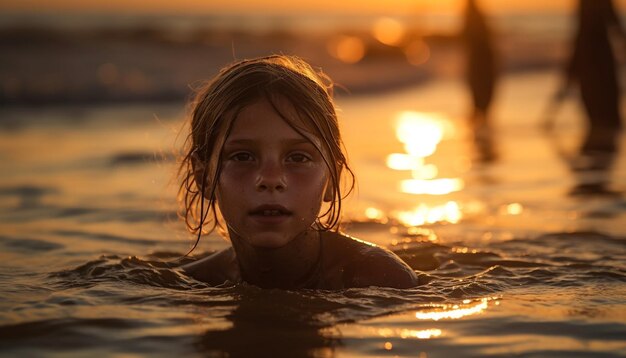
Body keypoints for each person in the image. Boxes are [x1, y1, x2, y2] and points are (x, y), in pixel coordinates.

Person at [177, 55, 419, 290]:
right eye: (242, 156)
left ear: (332, 180)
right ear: (204, 177)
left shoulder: (380, 278)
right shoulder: (191, 282)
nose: (271, 179)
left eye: (298, 158)